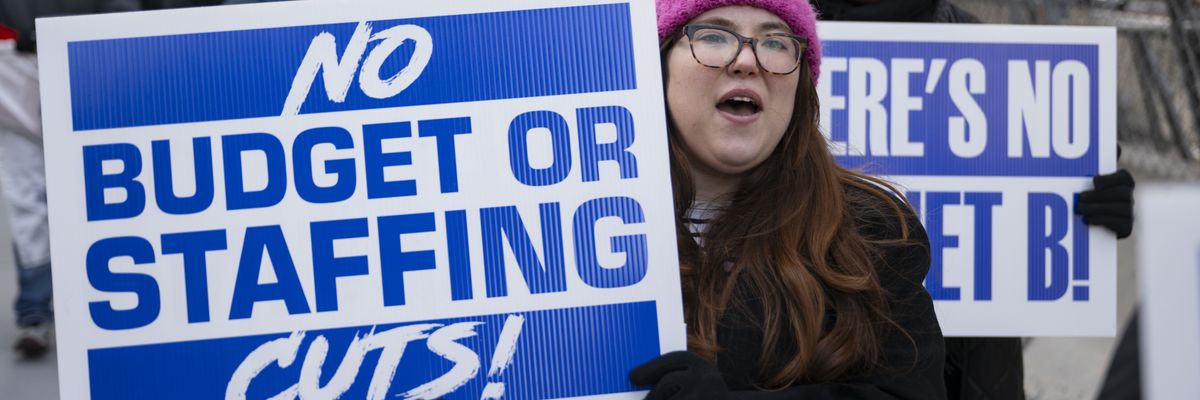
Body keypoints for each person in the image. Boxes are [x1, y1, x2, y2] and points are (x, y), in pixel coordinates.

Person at [809, 1, 1137, 399]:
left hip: (973, 365)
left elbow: (1022, 202)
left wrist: (1091, 207)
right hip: (821, 351)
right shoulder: (776, 40)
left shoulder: (978, 44)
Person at [628, 1, 946, 398]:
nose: (746, 60)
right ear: (658, 65)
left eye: (776, 42)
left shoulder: (871, 231)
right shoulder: (577, 229)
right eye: (713, 35)